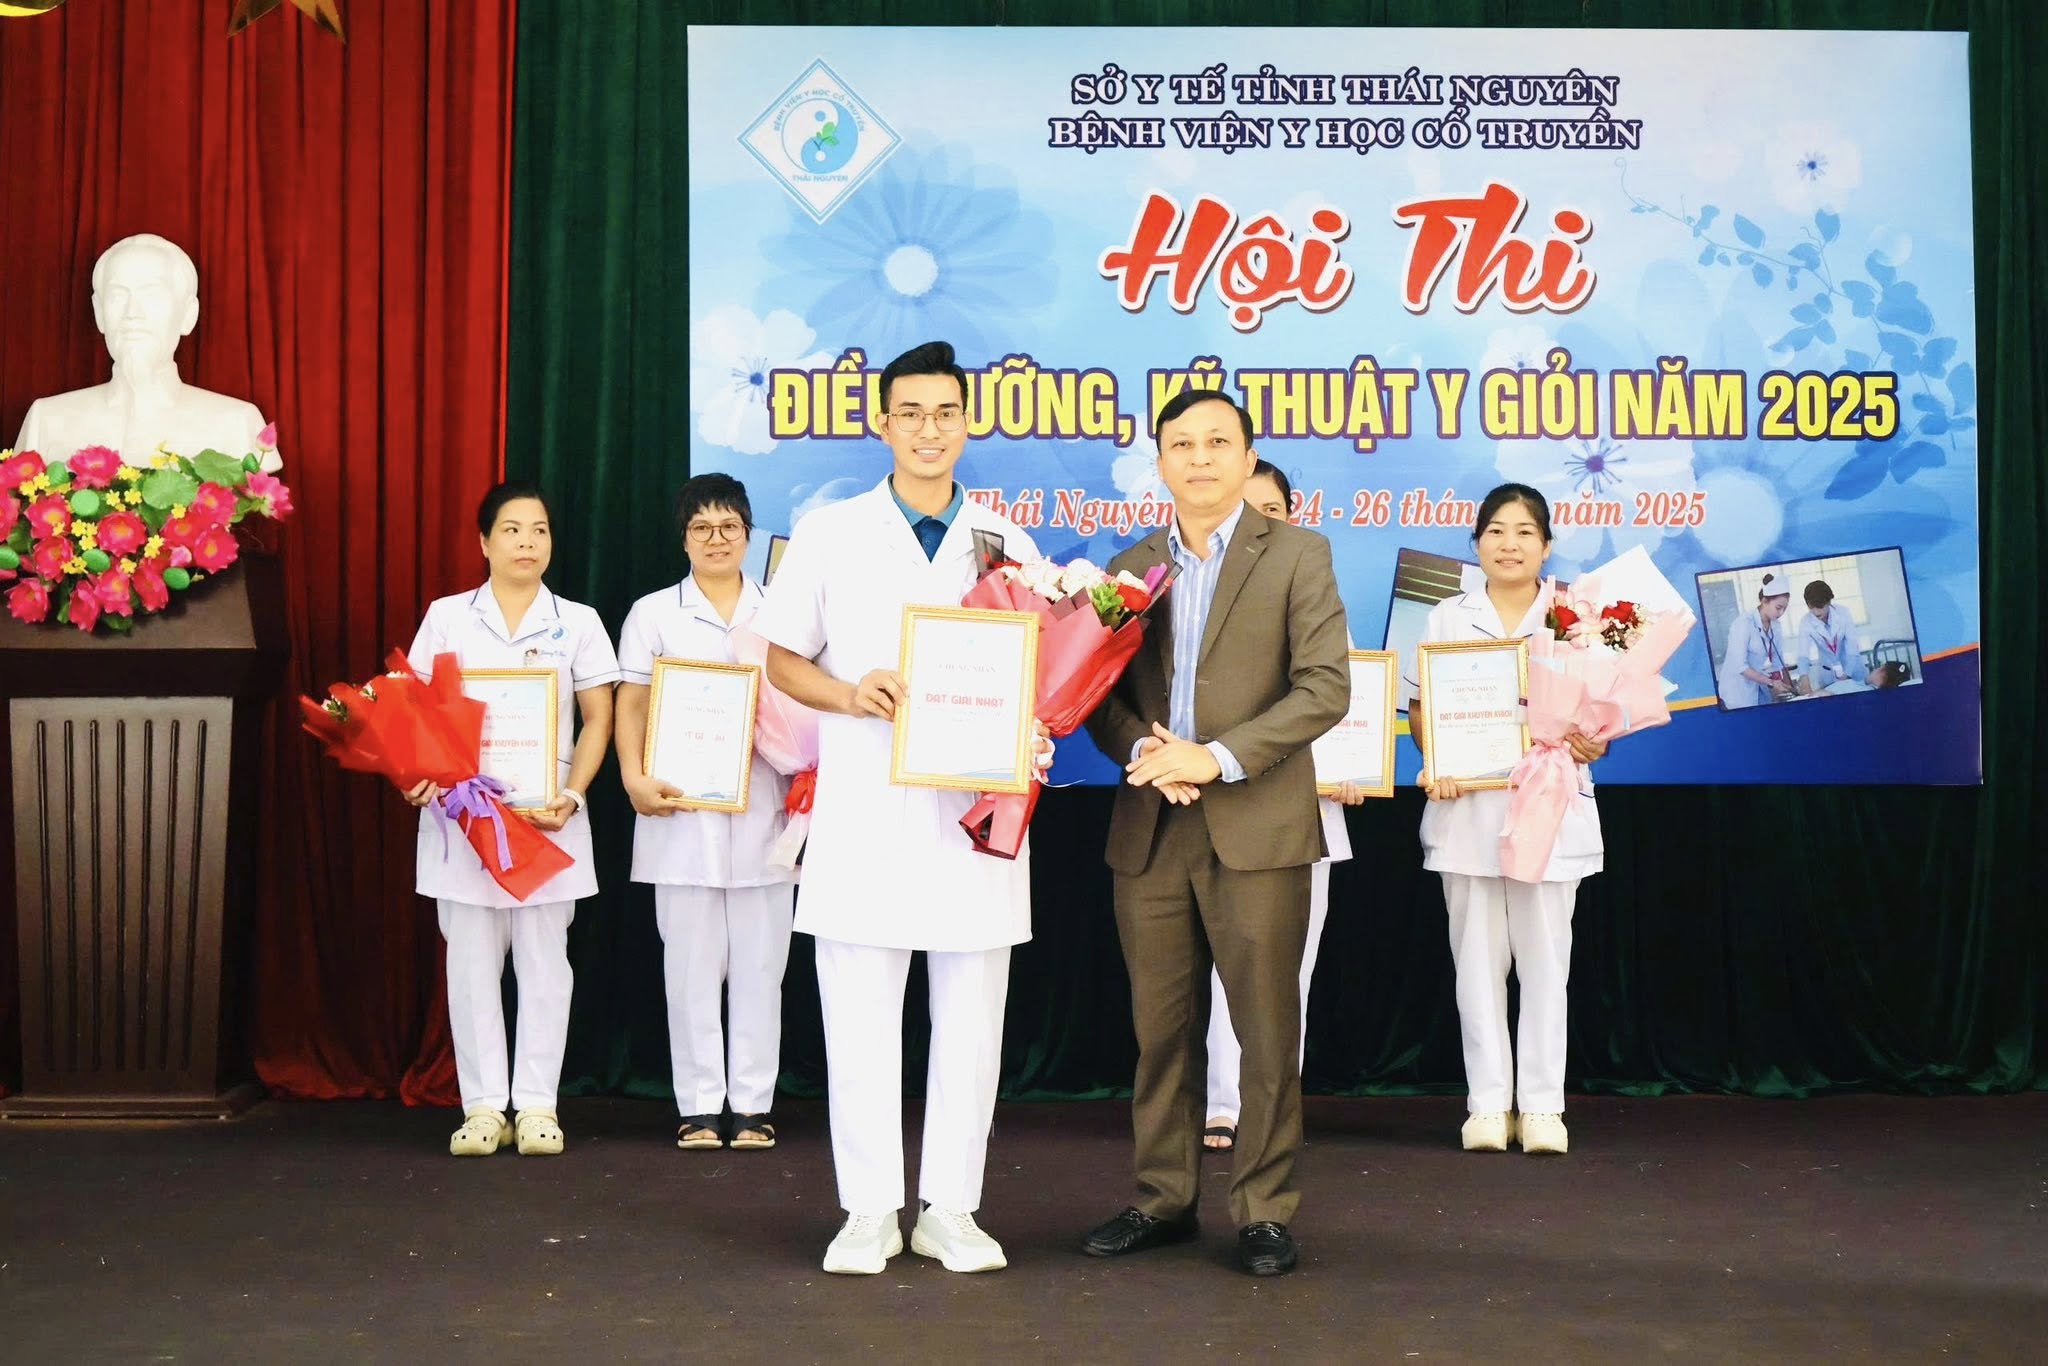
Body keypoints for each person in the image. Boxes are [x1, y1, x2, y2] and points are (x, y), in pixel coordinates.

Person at [755, 341, 1049, 1277]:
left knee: (972, 1024)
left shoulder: (1007, 541)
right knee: (858, 1020)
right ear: (882, 424)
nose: (929, 430)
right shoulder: (832, 532)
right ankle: (869, 1211)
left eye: (946, 413)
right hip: (866, 812)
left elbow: (1044, 668)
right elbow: (780, 659)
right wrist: (850, 694)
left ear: (968, 423)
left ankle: (952, 1209)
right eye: (911, 413)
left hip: (977, 819)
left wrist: (1031, 722)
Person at [1079, 391, 1350, 1278]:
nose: (1199, 458)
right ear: (1159, 461)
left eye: (1217, 442)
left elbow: (1324, 687)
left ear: (1247, 456)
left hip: (1257, 824)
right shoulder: (1129, 567)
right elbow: (1097, 697)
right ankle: (1163, 1197)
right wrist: (1148, 754)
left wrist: (1216, 758)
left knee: (1266, 1032)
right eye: (1182, 444)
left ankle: (1264, 1210)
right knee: (1160, 1031)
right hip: (1152, 827)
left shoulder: (1299, 553)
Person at [404, 481, 619, 1157]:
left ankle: (536, 1106)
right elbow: (416, 709)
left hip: (546, 819)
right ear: (484, 542)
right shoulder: (447, 617)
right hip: (464, 820)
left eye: (539, 530)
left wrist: (574, 794)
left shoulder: (577, 621)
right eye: (512, 529)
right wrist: (418, 773)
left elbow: (600, 718)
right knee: (470, 968)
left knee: (546, 965)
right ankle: (481, 1108)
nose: (527, 542)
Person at [1406, 483, 1606, 1158]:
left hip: (1550, 810)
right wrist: (1436, 759)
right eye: (1495, 531)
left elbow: (1600, 719)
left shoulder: (1577, 619)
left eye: (1524, 532)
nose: (1509, 544)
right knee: (1476, 965)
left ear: (1546, 546)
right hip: (1467, 809)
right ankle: (1488, 1104)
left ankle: (1544, 1106)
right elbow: (1422, 711)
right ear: (1476, 544)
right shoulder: (1445, 617)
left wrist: (1595, 741)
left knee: (1547, 963)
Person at [615, 473, 794, 1153]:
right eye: (701, 528)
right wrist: (633, 776)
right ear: (683, 538)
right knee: (689, 970)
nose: (716, 539)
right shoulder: (654, 613)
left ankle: (751, 1106)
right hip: (678, 811)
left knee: (761, 969)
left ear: (748, 533)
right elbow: (632, 702)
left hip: (766, 809)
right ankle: (697, 1106)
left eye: (729, 527)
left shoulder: (780, 609)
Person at [1201, 460, 1364, 1153]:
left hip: (1303, 815)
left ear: (1291, 519)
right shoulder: (1199, 603)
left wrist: (1352, 774)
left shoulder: (1314, 596)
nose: (1257, 523)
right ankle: (1223, 1101)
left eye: (1271, 511)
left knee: (1289, 968)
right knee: (1220, 964)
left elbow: (1337, 706)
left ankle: (1273, 1109)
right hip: (1213, 810)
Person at [15, 233, 279, 471]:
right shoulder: (47, 419)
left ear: (188, 314)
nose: (132, 313)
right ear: (99, 313)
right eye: (118, 296)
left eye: (152, 295)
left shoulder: (236, 423)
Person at [1716, 568, 1798, 709]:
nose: (1781, 613)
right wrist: (1772, 683)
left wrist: (1791, 687)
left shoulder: (1776, 625)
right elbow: (1740, 667)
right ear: (1764, 601)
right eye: (1778, 607)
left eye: (1784, 609)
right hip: (1737, 688)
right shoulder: (1743, 624)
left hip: (1759, 682)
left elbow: (1778, 660)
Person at [1797, 580, 1864, 690]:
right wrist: (1803, 676)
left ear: (1829, 602)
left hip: (1852, 669)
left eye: (1820, 606)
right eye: (1811, 607)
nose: (1816, 611)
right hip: (1828, 673)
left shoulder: (1843, 613)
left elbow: (1852, 645)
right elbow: (1803, 653)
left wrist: (1847, 673)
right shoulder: (1806, 622)